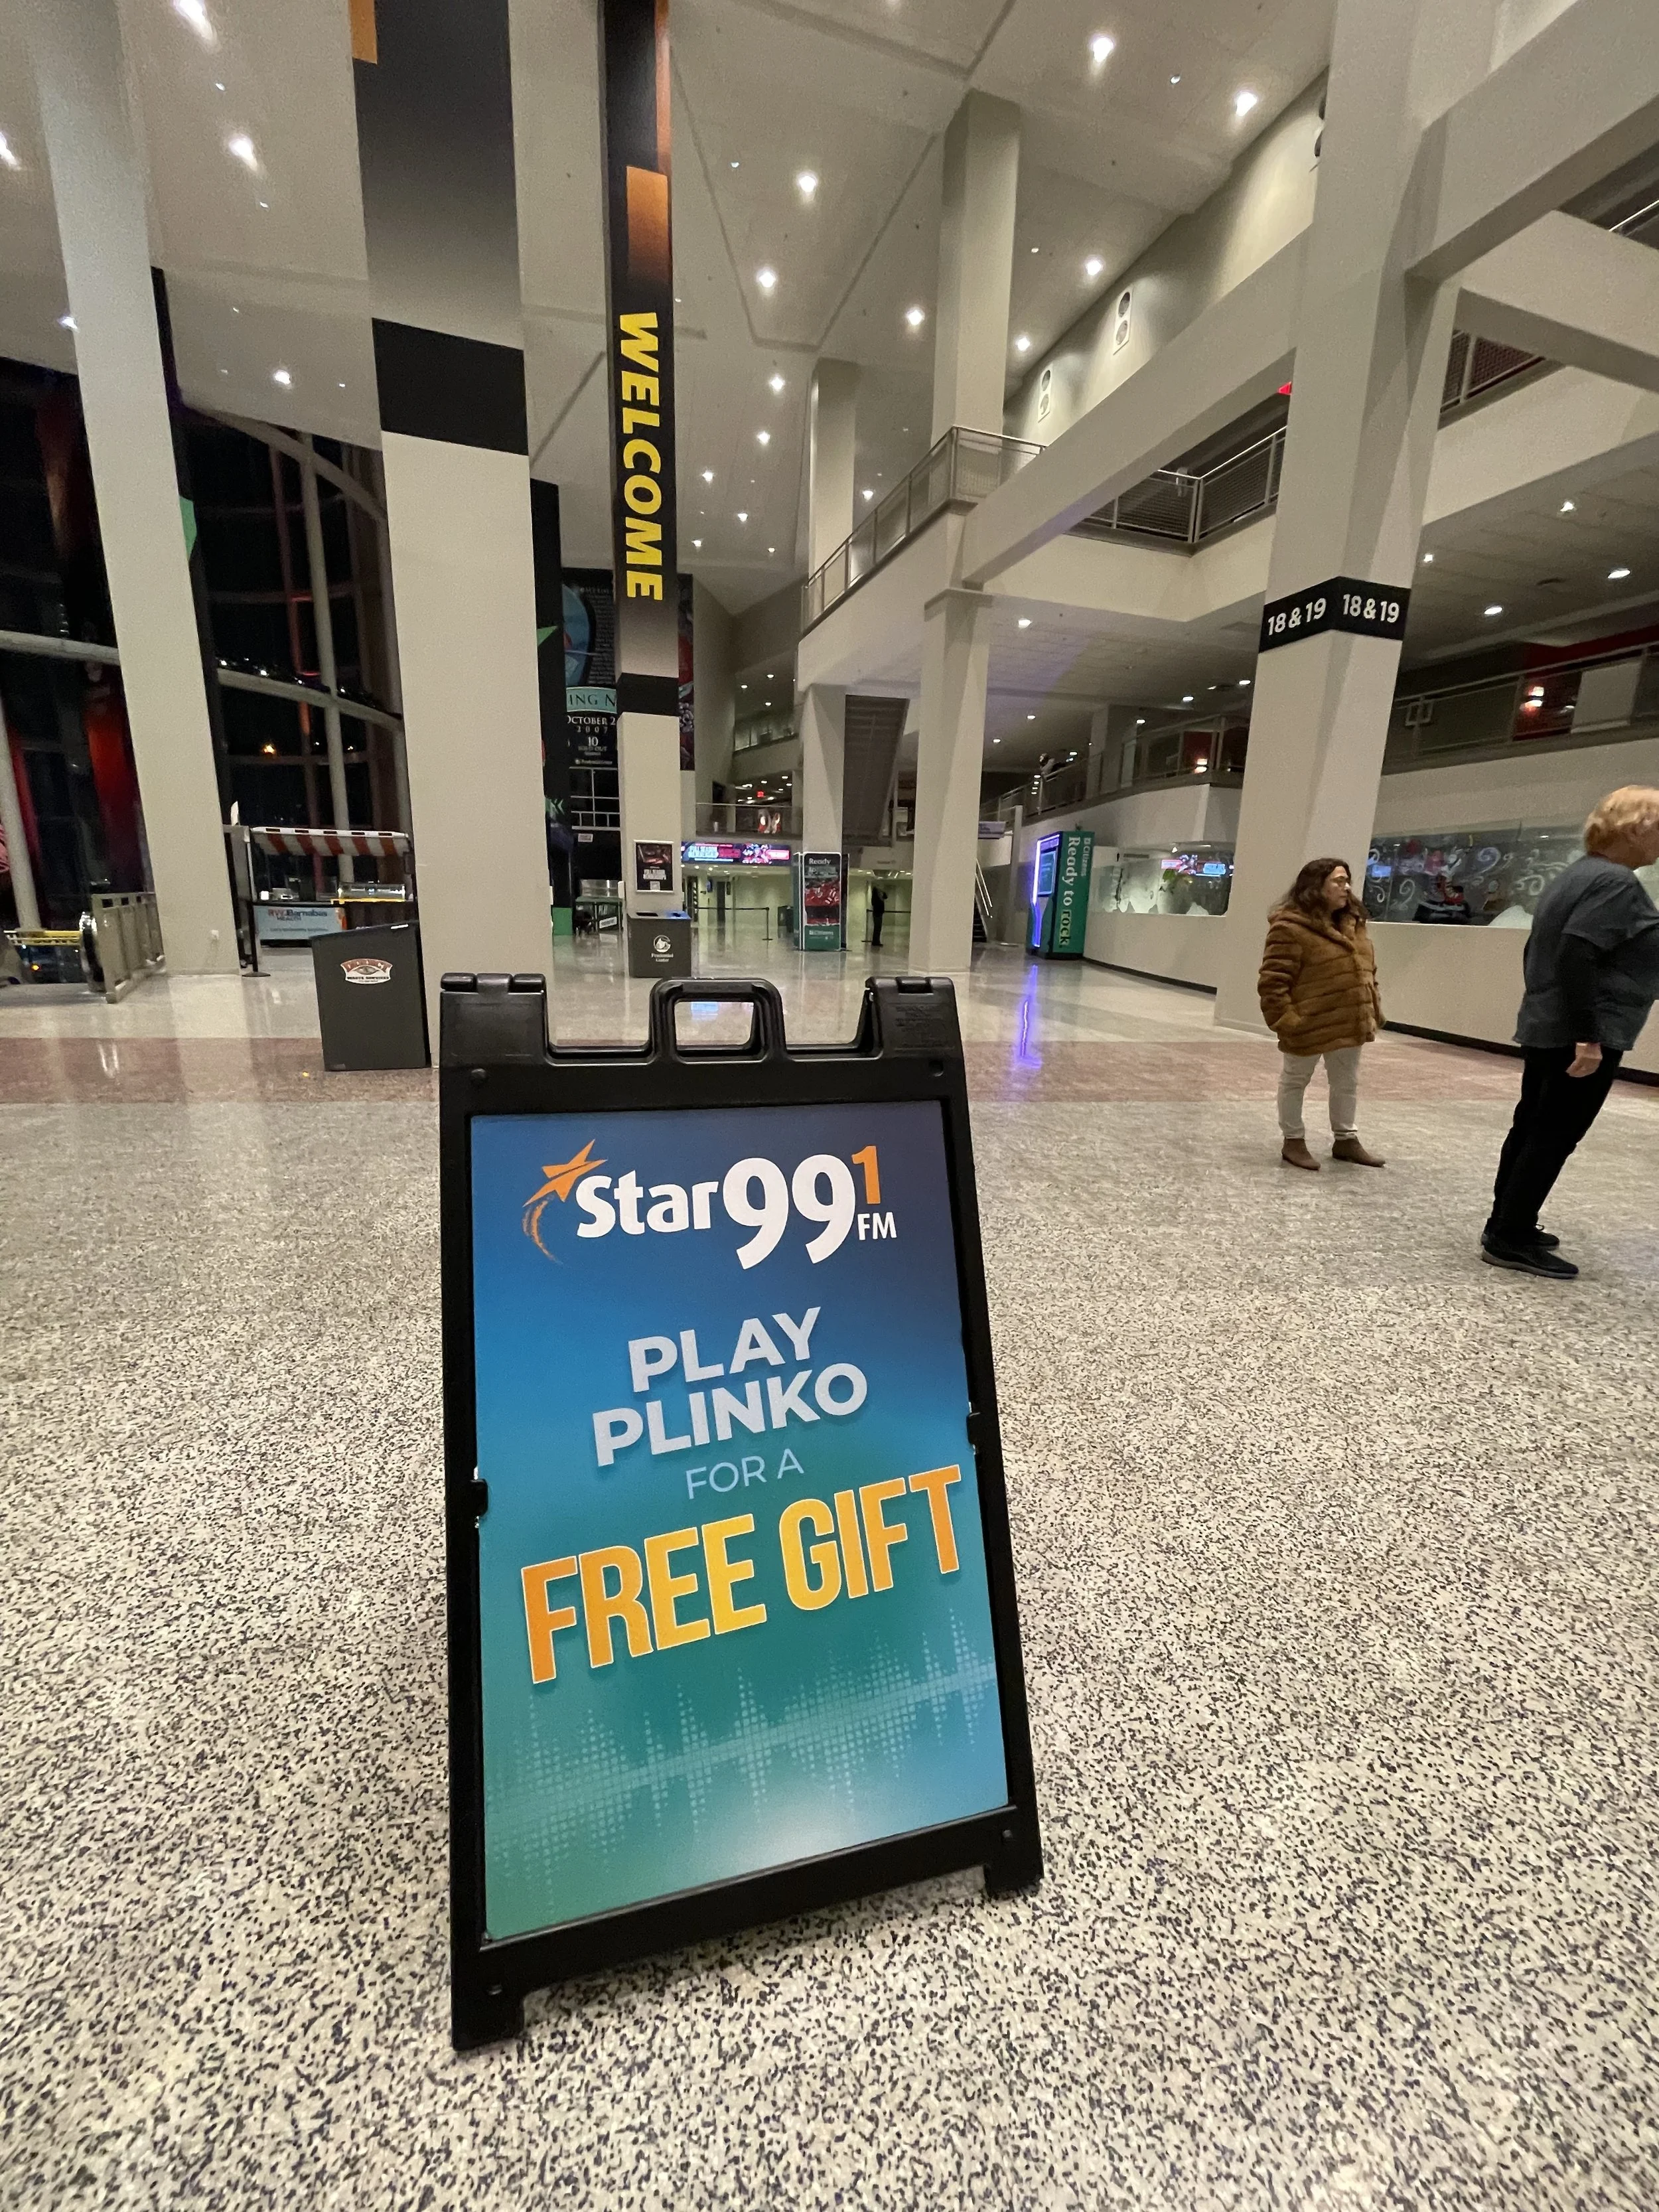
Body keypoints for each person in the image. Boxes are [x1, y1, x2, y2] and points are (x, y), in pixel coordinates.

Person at [1482, 786, 1659, 1278]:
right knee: (1553, 1135)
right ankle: (1508, 1235)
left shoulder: (1578, 875)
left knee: (1532, 1127)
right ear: (1635, 828)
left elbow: (1549, 950)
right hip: (1583, 1030)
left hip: (1548, 1023)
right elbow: (1577, 952)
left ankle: (1509, 1219)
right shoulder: (1615, 883)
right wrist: (1588, 1035)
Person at [1257, 857, 1386, 1172]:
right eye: (1338, 881)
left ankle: (1345, 1139)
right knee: (1295, 1080)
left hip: (1350, 1020)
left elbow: (1368, 968)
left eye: (1347, 881)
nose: (1346, 888)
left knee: (1346, 1082)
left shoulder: (1353, 923)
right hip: (1309, 1024)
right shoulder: (1290, 928)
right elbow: (1273, 983)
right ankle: (1293, 1140)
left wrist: (1372, 1001)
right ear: (1316, 887)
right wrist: (1288, 1022)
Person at [869, 881, 886, 948]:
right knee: (877, 928)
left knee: (878, 928)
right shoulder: (876, 898)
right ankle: (875, 941)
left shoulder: (880, 896)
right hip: (877, 914)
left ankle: (877, 941)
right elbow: (874, 904)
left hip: (879, 913)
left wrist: (882, 892)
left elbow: (886, 896)